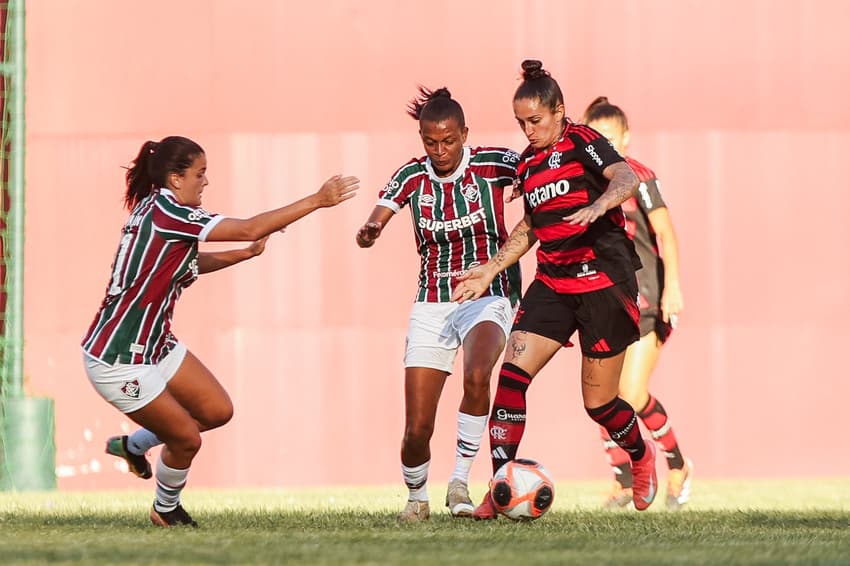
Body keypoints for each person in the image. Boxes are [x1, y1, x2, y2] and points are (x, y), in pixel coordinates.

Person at [84, 136, 359, 527]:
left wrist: (244, 254)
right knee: (186, 440)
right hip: (118, 359)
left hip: (154, 345)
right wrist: (317, 199)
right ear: (176, 179)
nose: (206, 182)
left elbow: (185, 265)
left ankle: (133, 446)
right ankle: (165, 510)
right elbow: (248, 227)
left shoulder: (159, 209)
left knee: (216, 410)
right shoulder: (169, 213)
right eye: (200, 173)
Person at [452, 59, 657, 518]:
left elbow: (625, 177)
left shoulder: (584, 141)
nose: (527, 130)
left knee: (599, 403)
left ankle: (640, 457)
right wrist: (489, 270)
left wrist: (600, 203)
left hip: (603, 280)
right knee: (510, 378)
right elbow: (530, 226)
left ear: (559, 111)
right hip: (553, 282)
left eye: (535, 120)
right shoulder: (528, 163)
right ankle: (500, 487)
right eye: (520, 122)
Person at [356, 87, 522, 522]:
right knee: (416, 428)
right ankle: (416, 499)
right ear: (422, 138)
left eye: (449, 140)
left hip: (489, 292)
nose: (441, 149)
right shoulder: (413, 176)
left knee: (478, 372)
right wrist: (370, 230)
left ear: (465, 134)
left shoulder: (492, 164)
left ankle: (460, 482)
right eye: (431, 141)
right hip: (432, 301)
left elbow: (535, 178)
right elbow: (379, 211)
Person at [583, 96, 692, 510]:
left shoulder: (640, 177)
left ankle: (677, 465)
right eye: (598, 138)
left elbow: (666, 231)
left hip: (646, 300)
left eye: (612, 138)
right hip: (603, 300)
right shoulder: (582, 183)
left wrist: (673, 287)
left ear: (625, 139)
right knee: (603, 394)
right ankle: (624, 479)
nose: (605, 146)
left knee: (629, 391)